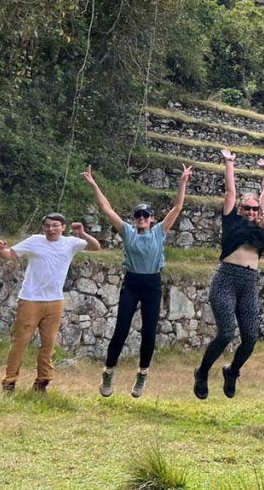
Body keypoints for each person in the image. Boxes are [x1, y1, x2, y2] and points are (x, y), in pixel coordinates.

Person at [83, 163, 192, 398]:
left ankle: (142, 374)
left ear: (152, 219)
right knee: (121, 329)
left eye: (146, 215)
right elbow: (106, 207)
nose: (142, 218)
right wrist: (94, 185)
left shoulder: (159, 232)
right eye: (138, 215)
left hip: (152, 284)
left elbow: (178, 206)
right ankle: (108, 371)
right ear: (134, 219)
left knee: (149, 333)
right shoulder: (127, 232)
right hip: (132, 284)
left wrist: (182, 182)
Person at [194, 148, 264, 399]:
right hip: (226, 279)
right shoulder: (231, 220)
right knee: (226, 333)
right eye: (247, 208)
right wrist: (229, 163)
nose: (251, 212)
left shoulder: (261, 223)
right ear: (240, 210)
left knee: (250, 338)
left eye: (254, 209)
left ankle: (232, 371)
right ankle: (203, 371)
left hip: (249, 283)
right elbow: (231, 192)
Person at [0, 213, 101, 393]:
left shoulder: (71, 243)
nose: (51, 229)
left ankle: (42, 382)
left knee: (48, 343)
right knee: (21, 341)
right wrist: (0, 251)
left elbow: (96, 247)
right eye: (47, 226)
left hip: (55, 301)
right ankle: (9, 382)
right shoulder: (35, 240)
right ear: (43, 228)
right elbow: (10, 254)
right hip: (30, 299)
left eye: (55, 225)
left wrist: (82, 233)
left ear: (63, 227)